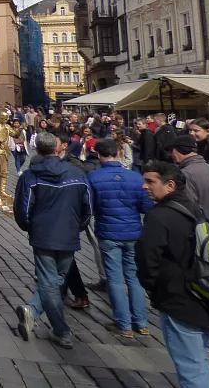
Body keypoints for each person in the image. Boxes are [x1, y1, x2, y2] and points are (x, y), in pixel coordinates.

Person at [137, 161, 209, 388]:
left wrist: (153, 288)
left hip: (177, 298)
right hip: (204, 294)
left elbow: (146, 258)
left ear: (170, 185)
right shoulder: (195, 208)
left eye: (150, 181)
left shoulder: (160, 215)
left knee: (191, 368)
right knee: (199, 360)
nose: (145, 187)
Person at [13, 131, 92, 349]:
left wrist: (31, 228)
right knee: (55, 279)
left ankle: (56, 327)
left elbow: (23, 209)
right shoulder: (77, 173)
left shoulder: (30, 176)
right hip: (68, 234)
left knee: (50, 281)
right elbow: (88, 207)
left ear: (37, 149)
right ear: (57, 148)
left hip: (43, 235)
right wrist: (78, 226)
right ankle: (42, 317)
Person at [86, 138, 153, 338]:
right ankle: (141, 323)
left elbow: (90, 206)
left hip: (108, 232)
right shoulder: (136, 177)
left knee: (115, 279)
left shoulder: (93, 177)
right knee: (134, 278)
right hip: (133, 232)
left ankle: (123, 324)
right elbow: (146, 207)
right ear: (119, 153)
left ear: (98, 155)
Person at [164, 131, 209, 224]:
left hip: (200, 232)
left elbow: (187, 208)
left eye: (172, 151)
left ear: (179, 150)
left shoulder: (184, 174)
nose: (171, 155)